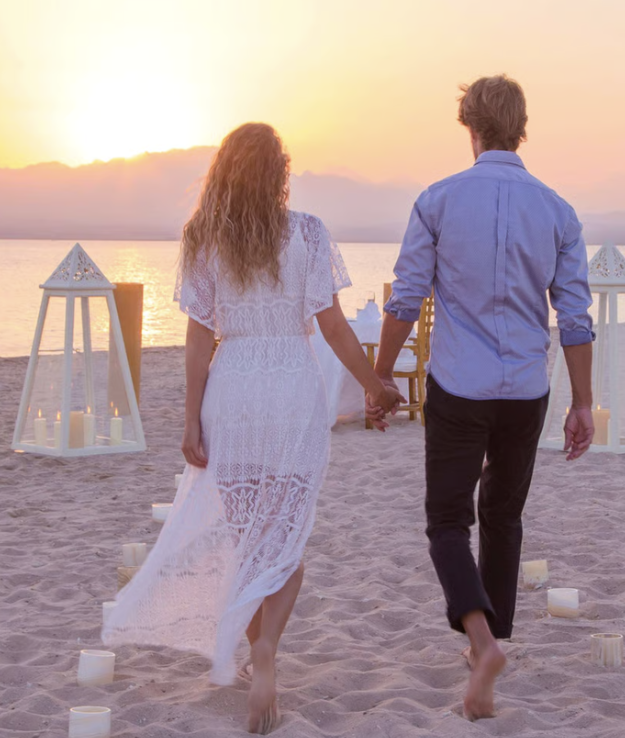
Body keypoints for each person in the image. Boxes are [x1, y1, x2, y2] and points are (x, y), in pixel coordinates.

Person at [104, 122, 403, 734]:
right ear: (280, 173)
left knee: (246, 538)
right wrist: (374, 385)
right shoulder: (309, 233)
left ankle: (256, 646)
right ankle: (267, 650)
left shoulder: (203, 238)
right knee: (286, 535)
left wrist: (190, 420)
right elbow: (333, 326)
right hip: (292, 387)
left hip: (234, 385)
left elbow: (196, 340)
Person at [367, 74, 596, 720]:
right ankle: (490, 646)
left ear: (468, 124)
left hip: (459, 385)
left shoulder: (438, 200)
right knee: (503, 514)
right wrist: (582, 401)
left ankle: (481, 639)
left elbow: (406, 298)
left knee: (447, 520)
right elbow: (574, 318)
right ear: (520, 127)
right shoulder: (556, 209)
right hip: (526, 386)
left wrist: (381, 378)